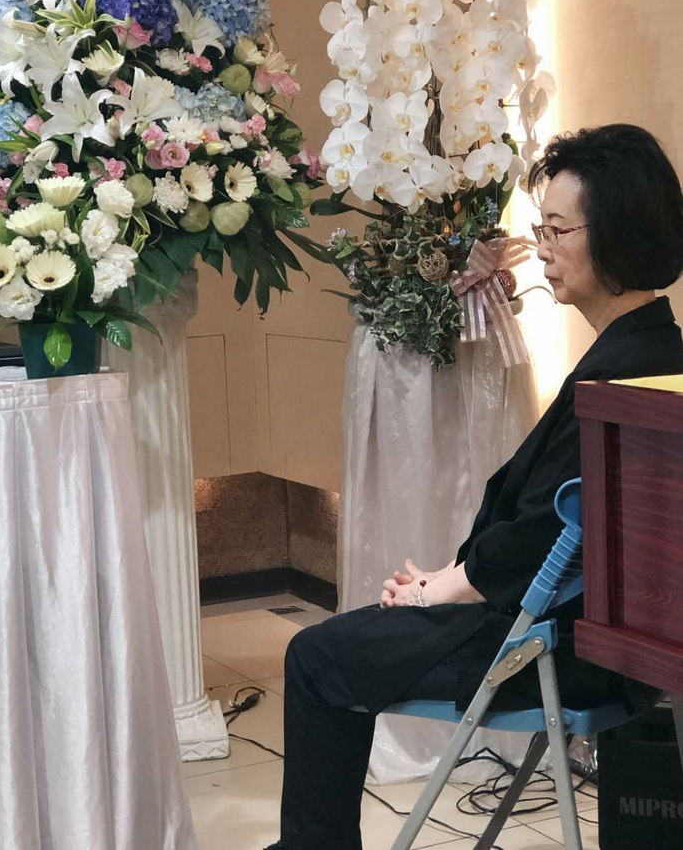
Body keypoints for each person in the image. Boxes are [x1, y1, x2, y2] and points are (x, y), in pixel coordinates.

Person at [265, 124, 683, 850]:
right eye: (540, 228)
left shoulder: (622, 377)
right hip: (591, 641)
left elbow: (547, 532)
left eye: (557, 230)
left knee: (316, 657)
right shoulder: (652, 352)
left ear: (615, 234)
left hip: (551, 650)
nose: (541, 248)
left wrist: (442, 588)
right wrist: (450, 579)